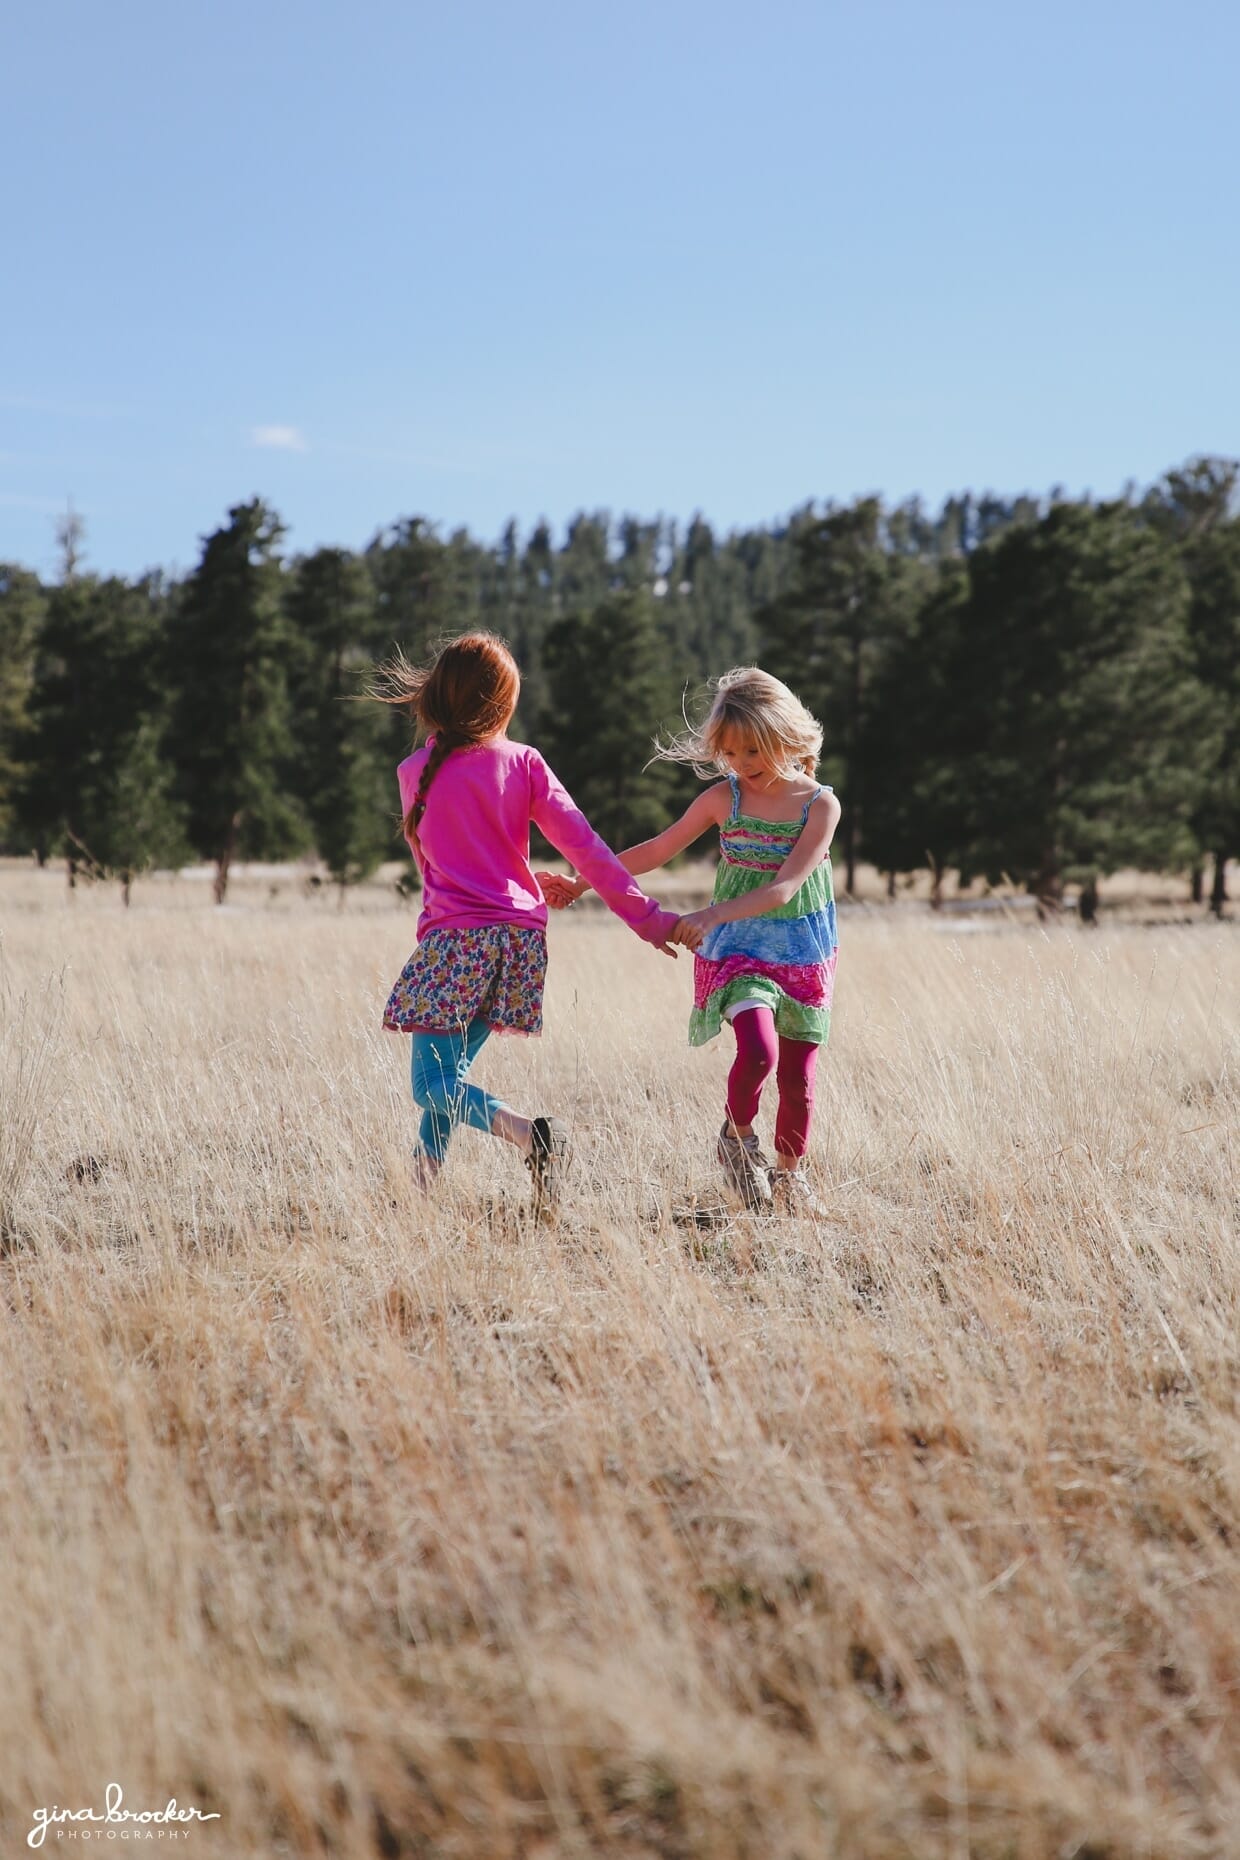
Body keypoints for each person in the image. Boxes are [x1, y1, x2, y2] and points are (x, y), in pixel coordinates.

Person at [372, 631, 684, 1208]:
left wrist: (488, 891)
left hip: (456, 945)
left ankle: (528, 1134)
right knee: (449, 1076)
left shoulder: (414, 770)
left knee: (429, 1084)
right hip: (518, 944)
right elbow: (588, 849)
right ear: (500, 707)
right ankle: (417, 1193)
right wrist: (648, 920)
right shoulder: (525, 763)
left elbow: (437, 872)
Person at [541, 667, 839, 1212]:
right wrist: (583, 882)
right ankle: (738, 1141)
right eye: (731, 753)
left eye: (753, 750)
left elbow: (785, 888)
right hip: (737, 950)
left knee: (798, 1079)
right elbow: (657, 850)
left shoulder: (820, 805)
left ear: (784, 735)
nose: (741, 764)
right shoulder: (724, 799)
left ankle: (790, 1176)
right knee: (759, 1051)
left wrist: (710, 912)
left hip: (803, 953)